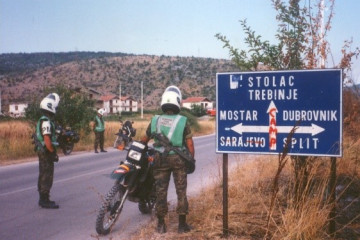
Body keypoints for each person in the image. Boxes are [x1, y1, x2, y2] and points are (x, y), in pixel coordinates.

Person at [141, 85, 195, 234]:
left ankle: (161, 225)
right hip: (178, 159)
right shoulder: (183, 121)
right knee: (181, 191)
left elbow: (144, 139)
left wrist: (139, 146)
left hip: (159, 159)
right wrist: (191, 160)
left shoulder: (155, 120)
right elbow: (190, 144)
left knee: (160, 191)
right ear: (178, 101)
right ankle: (182, 226)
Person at [35, 93, 60, 209]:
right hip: (46, 151)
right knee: (47, 175)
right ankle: (44, 200)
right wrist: (52, 152)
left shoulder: (42, 119)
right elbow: (47, 138)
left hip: (42, 151)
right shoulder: (46, 122)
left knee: (42, 173)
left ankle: (43, 198)